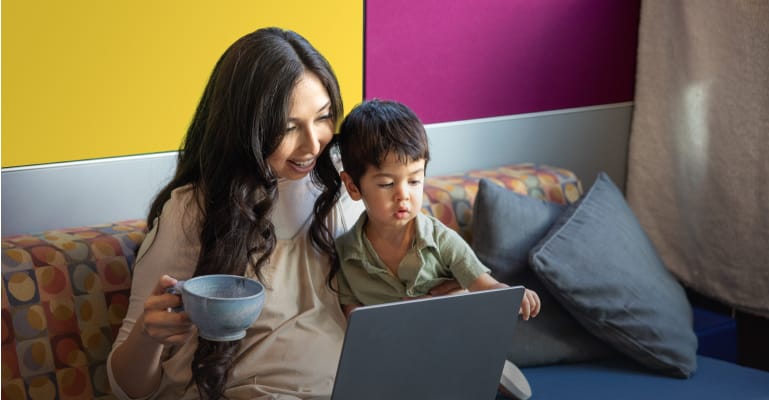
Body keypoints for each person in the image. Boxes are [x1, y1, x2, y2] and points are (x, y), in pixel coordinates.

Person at [107, 27, 382, 400]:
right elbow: (126, 387)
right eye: (288, 127)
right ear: (246, 129)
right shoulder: (192, 211)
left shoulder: (344, 195)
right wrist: (148, 334)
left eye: (323, 116)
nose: (314, 142)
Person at [334, 99, 541, 399]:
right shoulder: (345, 253)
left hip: (448, 345)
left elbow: (486, 286)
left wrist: (514, 294)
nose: (403, 196)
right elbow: (351, 312)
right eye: (387, 184)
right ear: (353, 187)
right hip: (392, 359)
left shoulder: (443, 241)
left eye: (415, 180)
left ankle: (487, 366)